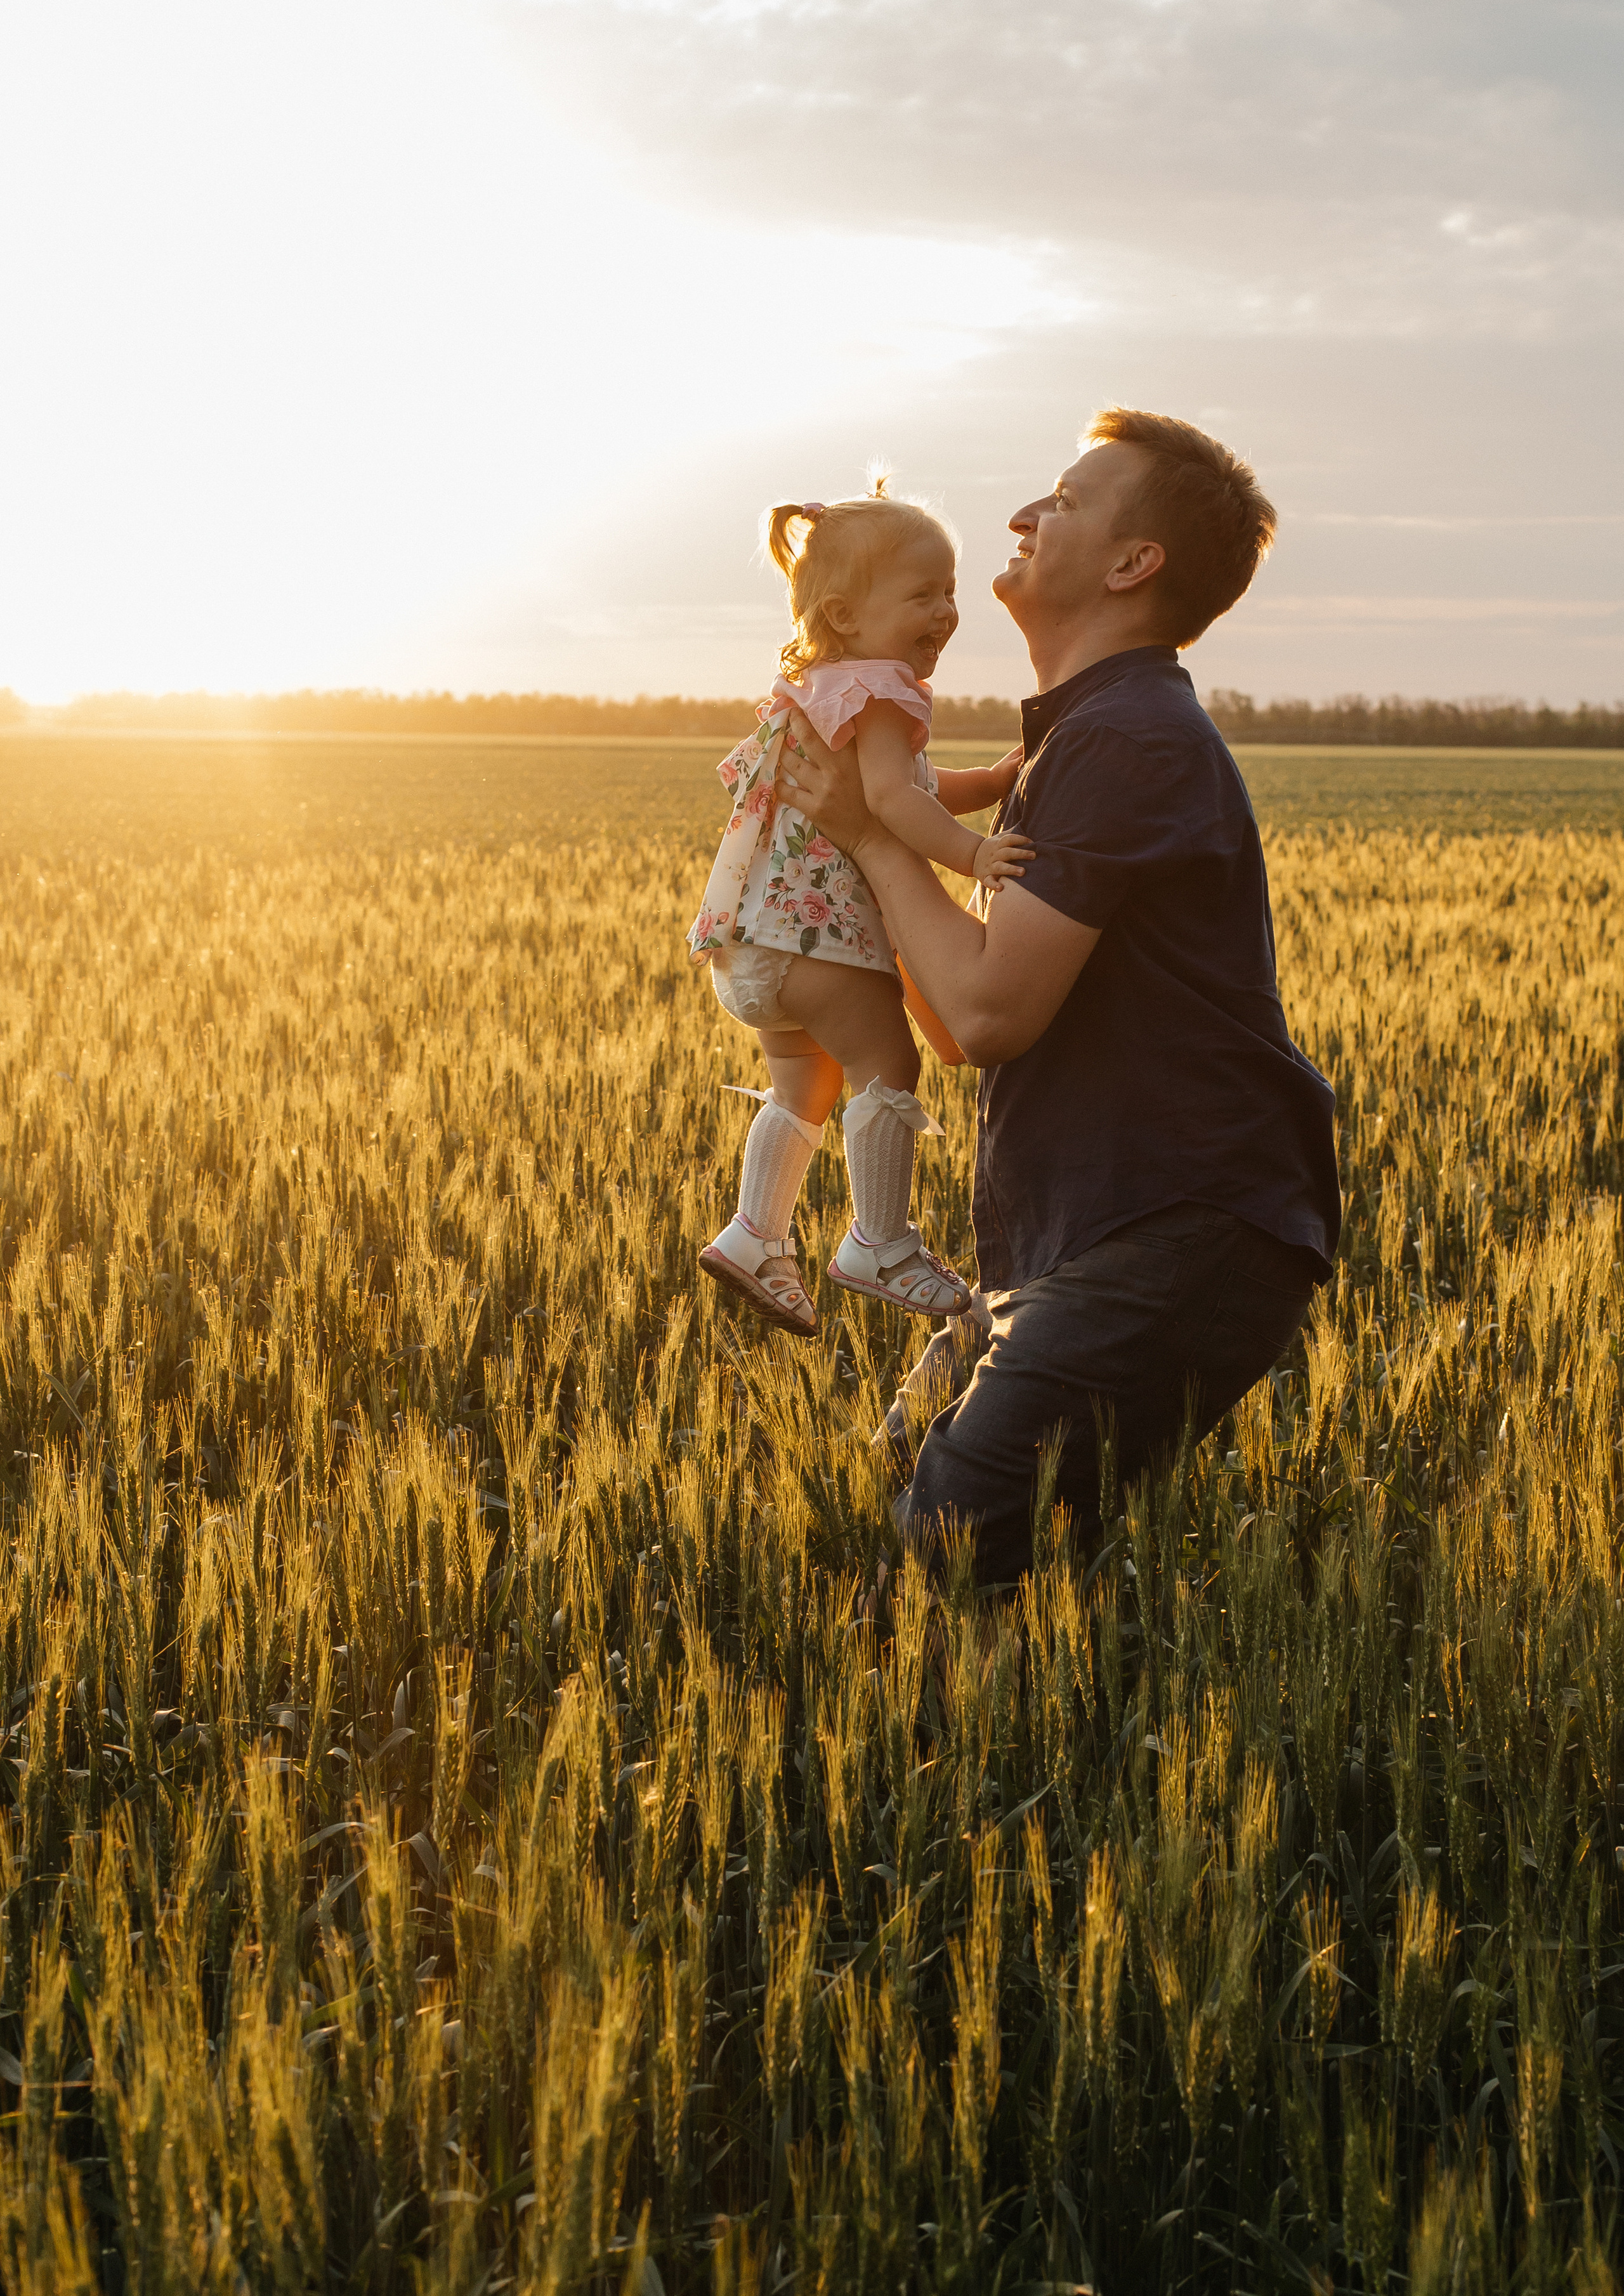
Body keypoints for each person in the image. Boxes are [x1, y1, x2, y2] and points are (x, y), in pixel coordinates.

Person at [776, 407, 1342, 1581]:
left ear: (1136, 566)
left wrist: (876, 835)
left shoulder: (1128, 740)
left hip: (1174, 1228)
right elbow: (963, 1018)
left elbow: (985, 1013)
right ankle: (1047, 1745)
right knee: (899, 1499)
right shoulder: (1078, 741)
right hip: (1082, 1231)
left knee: (950, 1542)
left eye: (1069, 501)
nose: (1029, 515)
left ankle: (956, 1760)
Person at [687, 477, 1033, 1339]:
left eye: (950, 592)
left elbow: (910, 783)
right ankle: (879, 1241)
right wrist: (975, 852)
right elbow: (890, 800)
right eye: (924, 594)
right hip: (820, 942)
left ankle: (754, 1232)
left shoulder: (820, 687)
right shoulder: (881, 693)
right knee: (889, 1065)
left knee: (805, 1081)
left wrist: (987, 783)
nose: (947, 612)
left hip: (753, 946)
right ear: (845, 615)